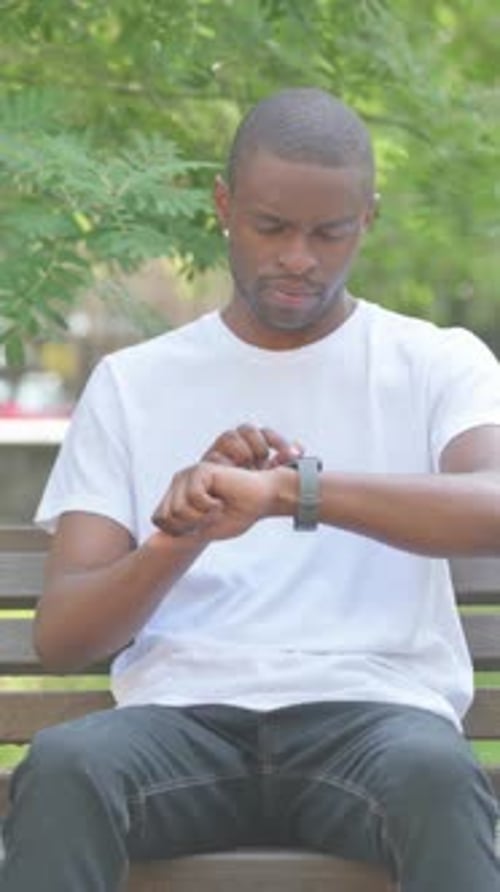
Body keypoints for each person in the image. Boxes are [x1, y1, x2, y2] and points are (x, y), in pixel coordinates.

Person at [1, 87, 500, 892]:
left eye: (328, 232)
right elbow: (64, 636)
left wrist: (291, 494)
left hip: (374, 723)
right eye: (271, 227)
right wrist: (181, 534)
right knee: (65, 767)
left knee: (439, 780)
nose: (299, 256)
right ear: (225, 206)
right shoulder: (134, 383)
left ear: (366, 219)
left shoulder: (437, 362)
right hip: (181, 725)